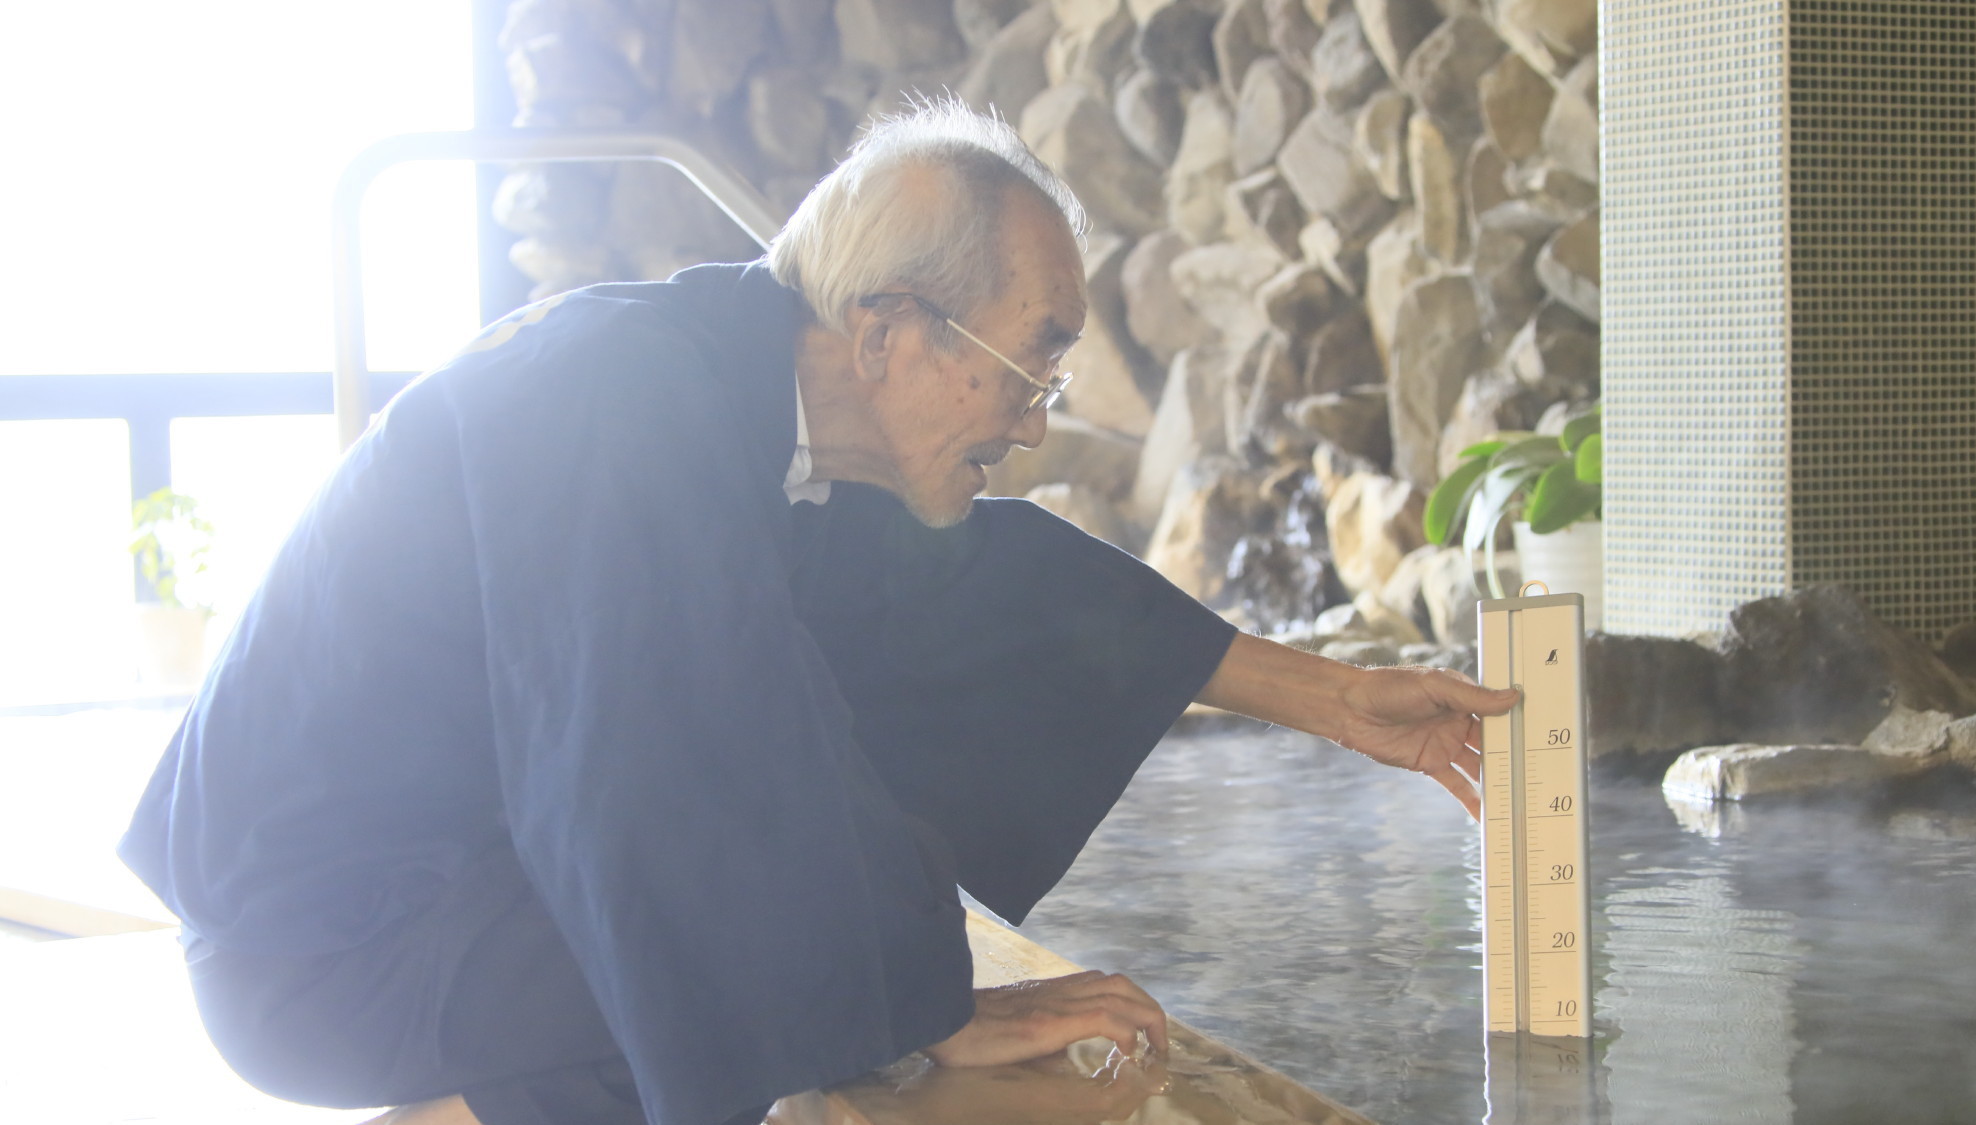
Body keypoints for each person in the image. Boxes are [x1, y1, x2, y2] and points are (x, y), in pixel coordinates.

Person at [120, 100, 1513, 1125]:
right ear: (886, 331)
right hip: (325, 948)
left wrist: (1331, 696)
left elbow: (991, 598)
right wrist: (914, 1023)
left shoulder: (746, 415)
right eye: (1028, 372)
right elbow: (650, 781)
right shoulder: (630, 404)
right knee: (734, 879)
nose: (1032, 426)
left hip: (437, 894)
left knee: (815, 825)